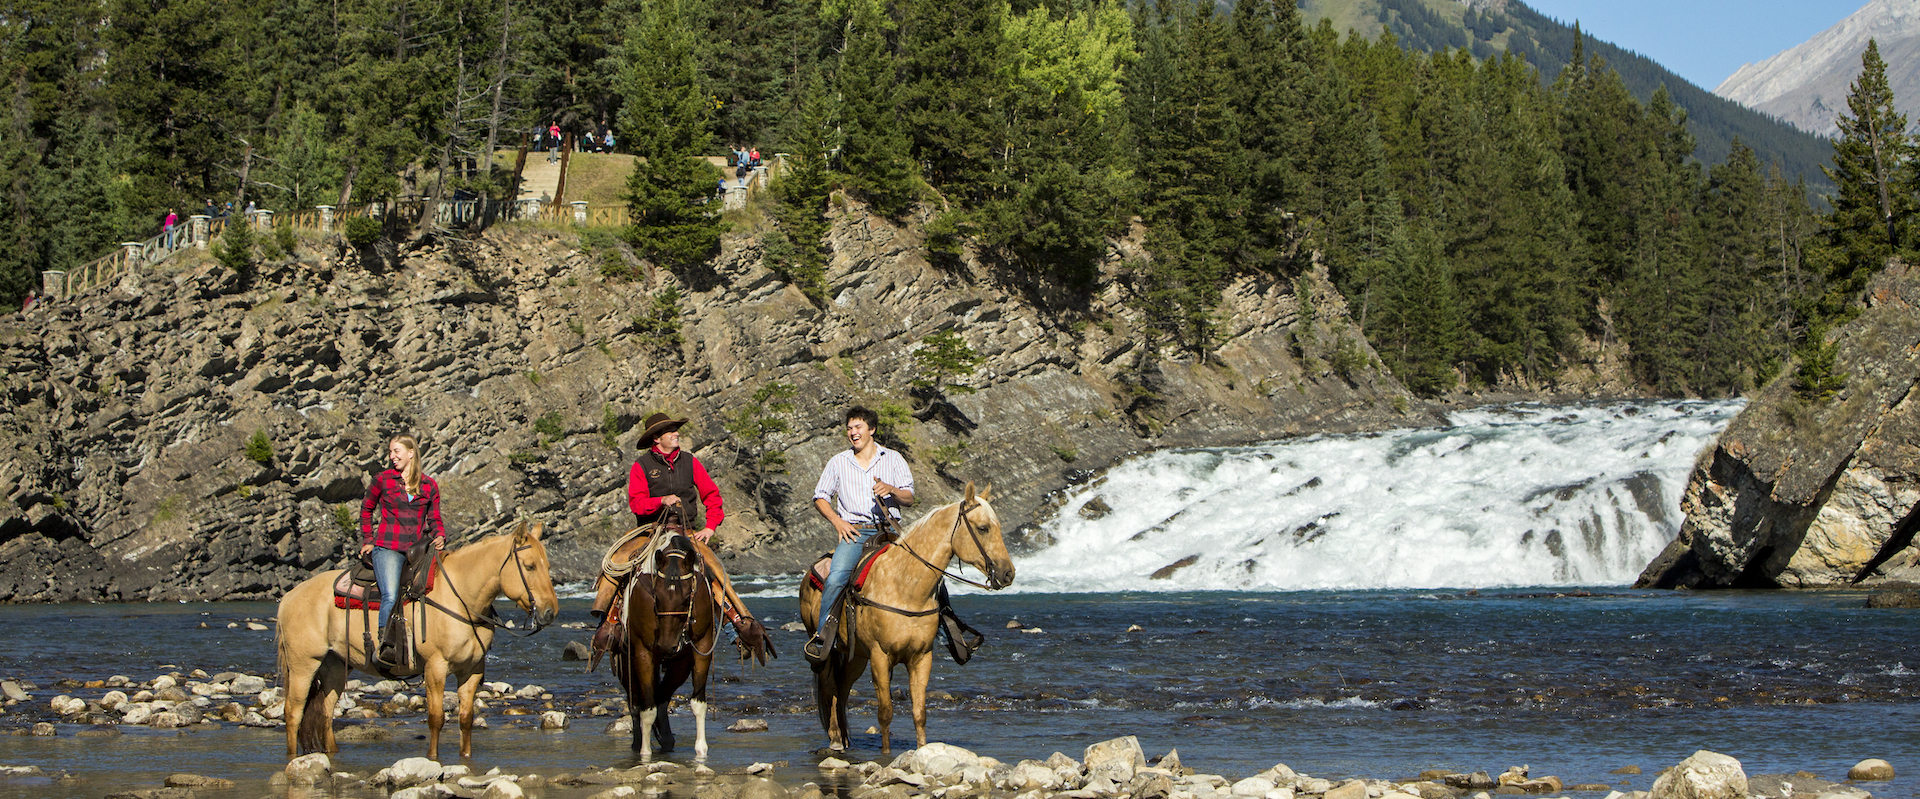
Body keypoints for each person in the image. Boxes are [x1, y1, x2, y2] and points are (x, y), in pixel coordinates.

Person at [588, 413, 769, 668]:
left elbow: (712, 496)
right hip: (651, 530)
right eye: (670, 430)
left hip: (686, 530)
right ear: (656, 438)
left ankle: (737, 628)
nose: (676, 433)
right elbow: (637, 504)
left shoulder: (690, 462)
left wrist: (710, 527)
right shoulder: (641, 466)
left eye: (675, 429)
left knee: (712, 571)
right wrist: (660, 501)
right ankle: (607, 627)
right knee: (617, 564)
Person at [805, 406, 915, 661]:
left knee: (928, 568)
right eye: (849, 428)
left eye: (858, 427)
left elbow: (909, 497)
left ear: (871, 429)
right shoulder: (838, 462)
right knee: (836, 577)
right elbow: (820, 497)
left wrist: (891, 489)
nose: (853, 433)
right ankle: (824, 637)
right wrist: (837, 522)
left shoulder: (893, 458)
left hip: (890, 531)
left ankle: (949, 630)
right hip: (856, 533)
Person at [359, 435, 445, 663]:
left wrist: (439, 535)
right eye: (390, 452)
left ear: (411, 453)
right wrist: (368, 539)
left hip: (417, 551)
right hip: (388, 547)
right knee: (390, 594)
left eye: (396, 451)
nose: (392, 456)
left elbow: (434, 518)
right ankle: (385, 645)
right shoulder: (382, 480)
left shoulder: (429, 485)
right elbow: (366, 509)